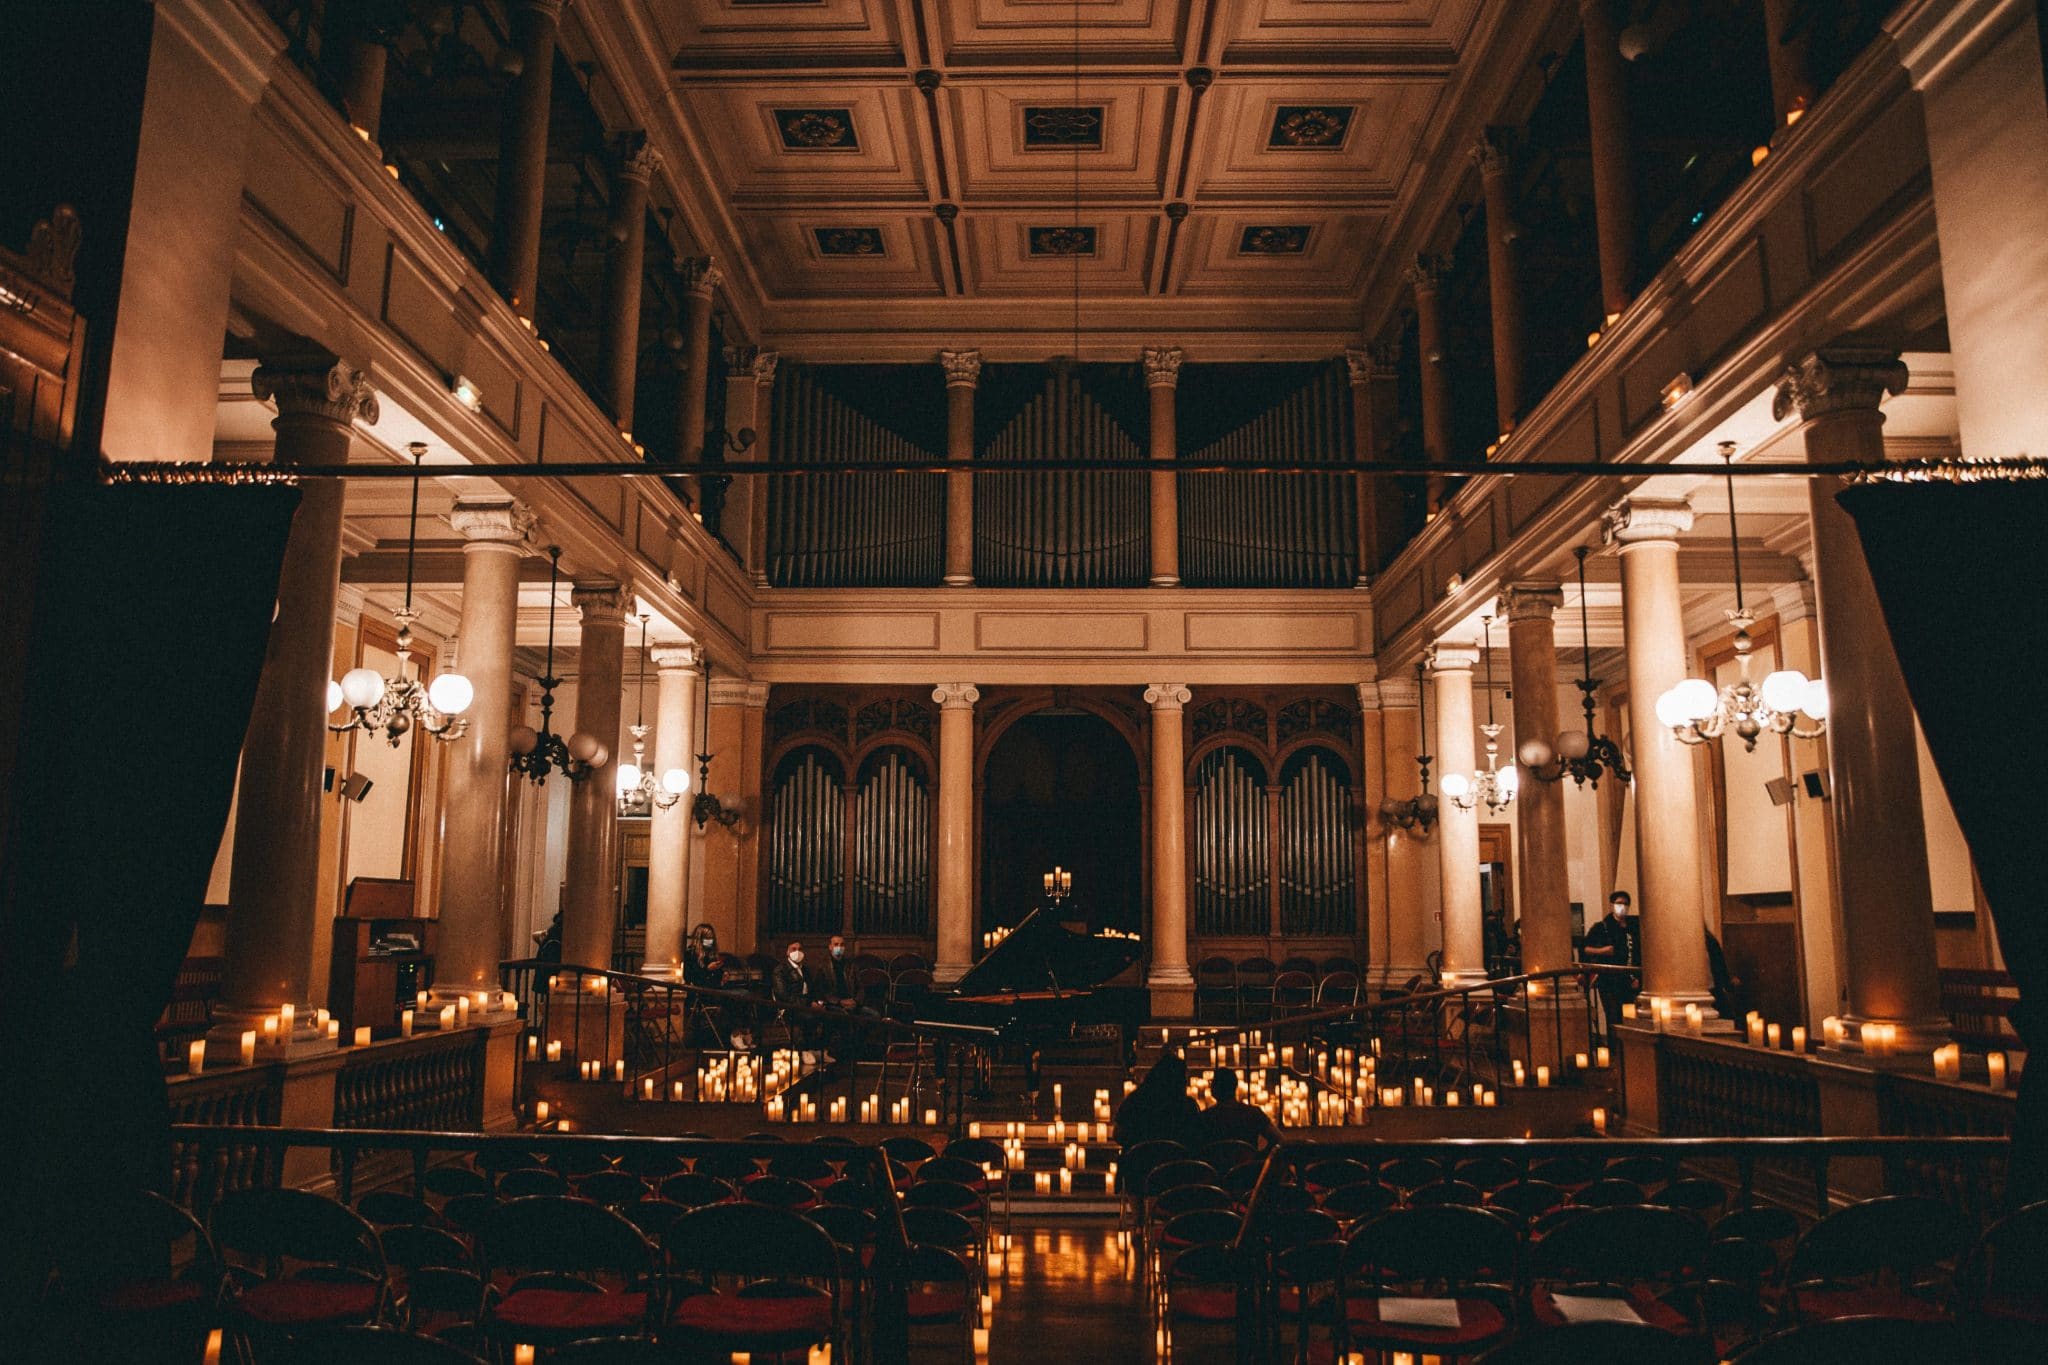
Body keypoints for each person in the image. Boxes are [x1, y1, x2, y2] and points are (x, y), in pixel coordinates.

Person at [1114, 1053, 1203, 1151]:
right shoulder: (1187, 1107)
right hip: (1175, 1162)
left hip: (1139, 1163)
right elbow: (1195, 1139)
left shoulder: (1134, 1102)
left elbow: (1119, 1135)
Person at [1581, 890, 1639, 1038]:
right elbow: (1585, 948)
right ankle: (1615, 1050)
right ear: (1612, 905)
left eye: (1625, 904)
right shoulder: (1602, 927)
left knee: (1631, 1017)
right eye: (1619, 903)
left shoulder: (1634, 926)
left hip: (1630, 980)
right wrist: (1602, 951)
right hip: (1609, 981)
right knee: (1613, 1016)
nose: (1622, 907)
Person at [1198, 1067, 1279, 1149]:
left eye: (1212, 1082)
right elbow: (1279, 1139)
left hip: (1215, 1161)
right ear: (1235, 1086)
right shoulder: (1253, 1113)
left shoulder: (1205, 1117)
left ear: (1215, 1088)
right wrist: (1260, 1156)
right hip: (1247, 1161)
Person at [825, 934, 854, 1004]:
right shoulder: (824, 967)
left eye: (842, 945)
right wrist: (840, 1002)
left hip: (851, 1002)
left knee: (873, 1013)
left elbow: (860, 987)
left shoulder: (851, 965)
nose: (839, 947)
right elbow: (822, 993)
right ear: (830, 947)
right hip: (835, 1004)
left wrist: (855, 1001)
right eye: (836, 944)